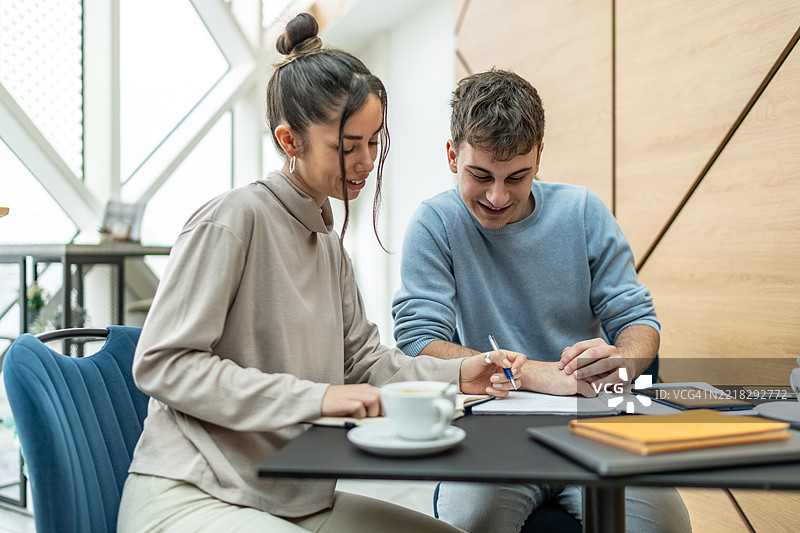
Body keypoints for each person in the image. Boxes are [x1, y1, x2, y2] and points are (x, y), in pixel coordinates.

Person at [117, 14, 525, 533]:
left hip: (291, 499)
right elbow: (162, 363)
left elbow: (364, 362)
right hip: (196, 495)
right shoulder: (233, 220)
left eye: (374, 142)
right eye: (346, 146)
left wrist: (462, 374)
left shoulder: (325, 244)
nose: (365, 162)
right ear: (290, 141)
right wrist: (319, 398)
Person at [391, 69, 692, 532]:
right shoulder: (435, 223)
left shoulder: (582, 211)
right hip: (494, 431)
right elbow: (417, 340)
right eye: (480, 175)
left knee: (666, 524)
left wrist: (624, 365)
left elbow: (637, 319)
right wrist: (535, 373)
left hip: (594, 425)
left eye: (518, 177)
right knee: (471, 520)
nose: (497, 196)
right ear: (452, 156)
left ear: (540, 157)